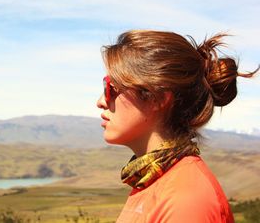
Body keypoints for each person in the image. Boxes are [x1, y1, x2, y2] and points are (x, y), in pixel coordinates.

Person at [96, 30, 258, 223]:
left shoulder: (187, 201)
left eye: (111, 89)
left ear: (158, 99)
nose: (100, 101)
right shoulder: (153, 180)